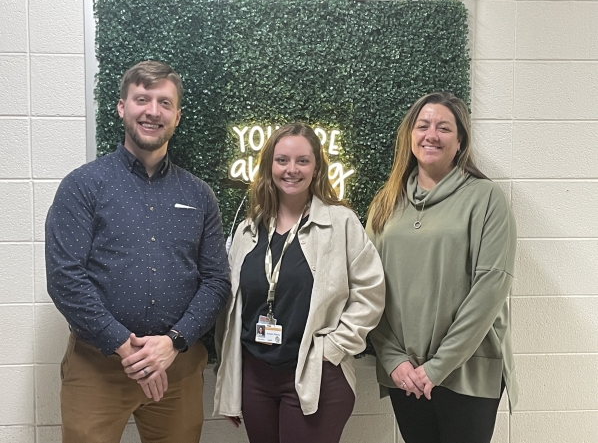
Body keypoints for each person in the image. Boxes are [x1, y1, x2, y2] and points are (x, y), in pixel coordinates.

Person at [45, 60, 231, 443]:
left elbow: (216, 281)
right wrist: (124, 346)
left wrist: (173, 342)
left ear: (177, 116)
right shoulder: (83, 186)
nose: (152, 111)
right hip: (98, 366)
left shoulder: (199, 195)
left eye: (164, 102)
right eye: (142, 99)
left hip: (175, 367)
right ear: (122, 107)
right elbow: (65, 276)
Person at [213, 123, 385, 443]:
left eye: (302, 161)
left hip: (315, 373)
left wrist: (333, 348)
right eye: (282, 160)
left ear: (316, 167)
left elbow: (370, 292)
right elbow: (231, 308)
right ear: (269, 166)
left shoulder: (339, 222)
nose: (292, 169)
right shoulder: (248, 230)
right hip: (256, 379)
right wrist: (231, 379)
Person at [366, 92, 518, 443]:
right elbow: (367, 288)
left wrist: (437, 367)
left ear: (460, 140)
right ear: (410, 135)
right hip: (404, 372)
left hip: (468, 371)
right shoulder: (386, 203)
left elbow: (491, 288)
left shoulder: (485, 198)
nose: (431, 134)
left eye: (444, 127)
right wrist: (392, 358)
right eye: (423, 125)